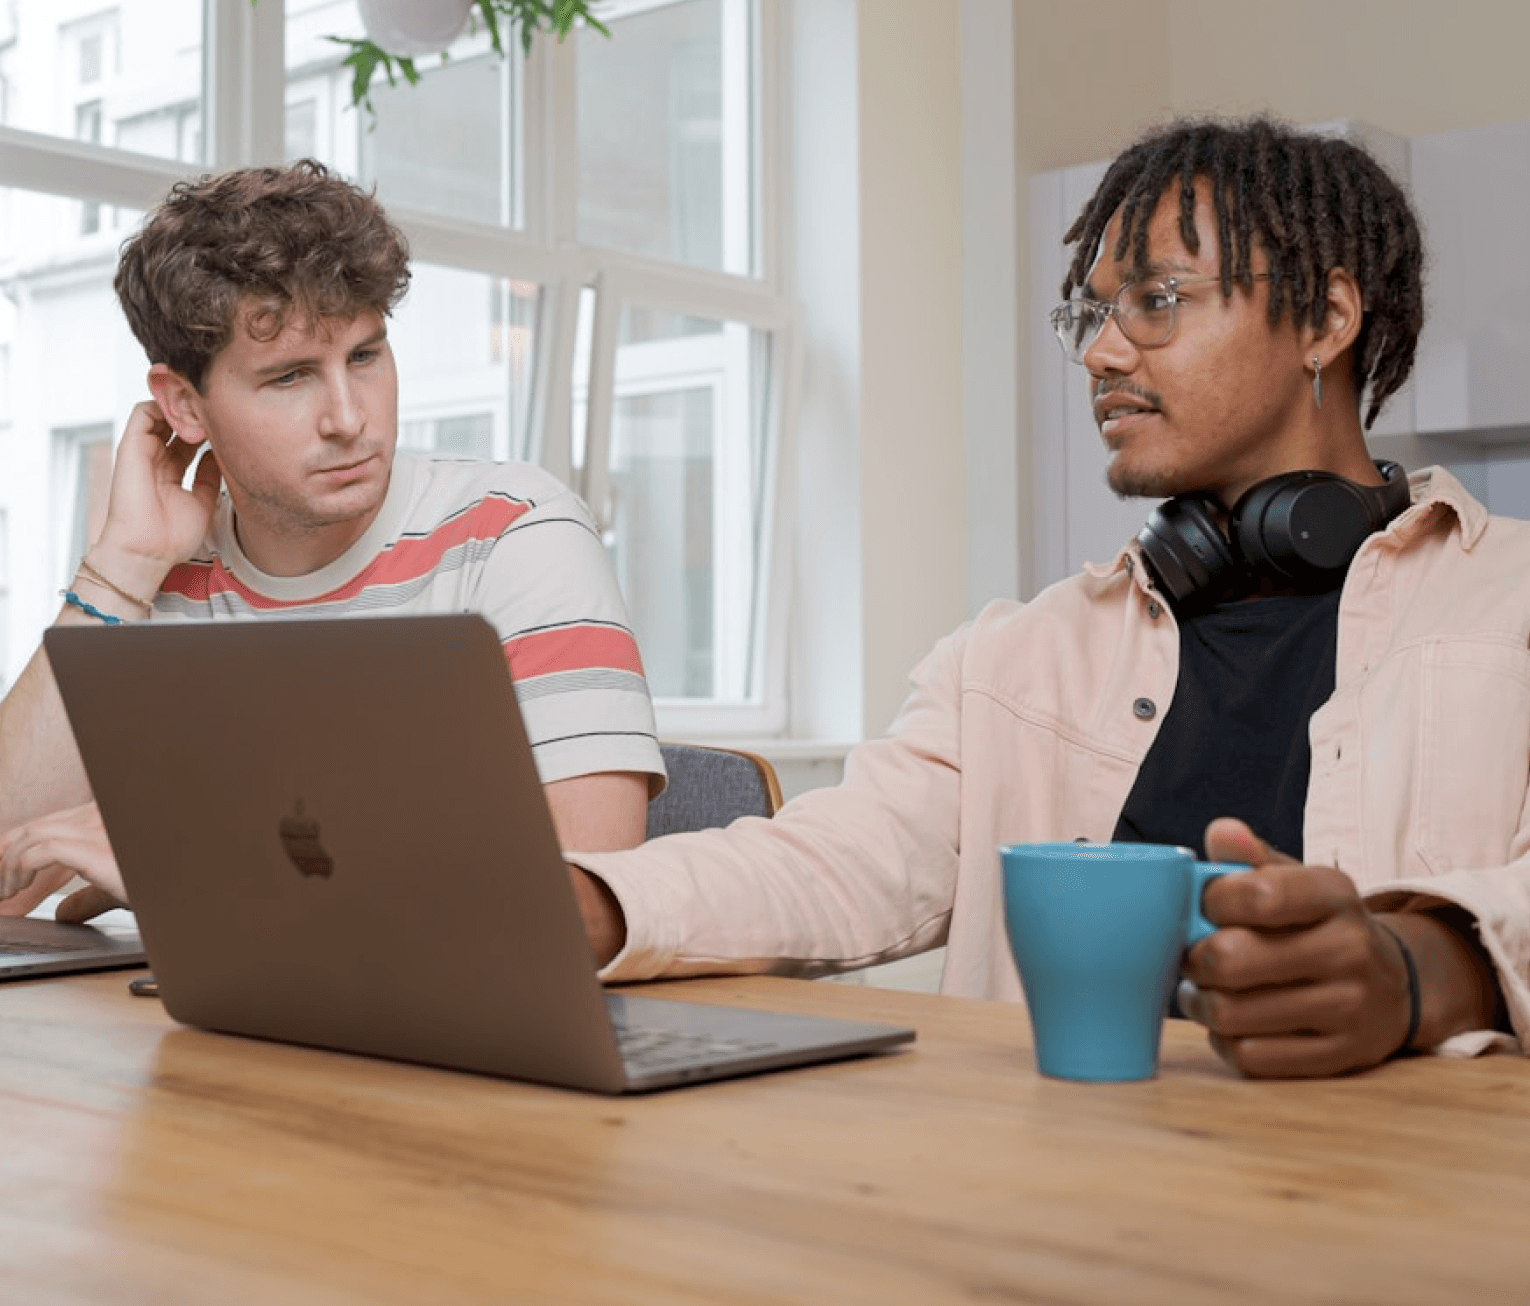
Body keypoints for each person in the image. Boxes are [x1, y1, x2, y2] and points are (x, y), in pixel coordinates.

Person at [566, 115, 1527, 1078]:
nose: (1101, 353)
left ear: (1324, 319)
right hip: (1064, 1166)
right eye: (1092, 314)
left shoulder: (1510, 608)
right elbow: (829, 861)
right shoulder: (1010, 660)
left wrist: (1423, 968)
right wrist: (590, 903)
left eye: (1155, 300)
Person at [0, 160, 664, 921]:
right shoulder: (165, 574)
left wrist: (204, 872)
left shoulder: (515, 532)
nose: (349, 418)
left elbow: (588, 893)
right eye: (290, 377)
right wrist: (120, 567)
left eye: (364, 356)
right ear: (184, 405)